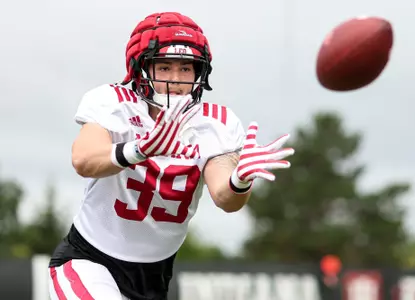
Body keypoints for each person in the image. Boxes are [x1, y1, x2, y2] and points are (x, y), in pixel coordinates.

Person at [47, 11, 294, 300]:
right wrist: (140, 149)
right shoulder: (114, 103)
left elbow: (226, 200)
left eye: (186, 68)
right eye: (164, 67)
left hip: (155, 276)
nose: (176, 79)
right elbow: (84, 160)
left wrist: (240, 180)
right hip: (90, 260)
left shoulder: (215, 124)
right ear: (141, 69)